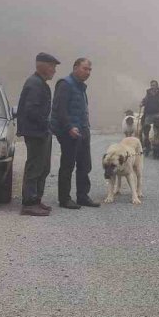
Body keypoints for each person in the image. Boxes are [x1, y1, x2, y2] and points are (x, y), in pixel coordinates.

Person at [51, 57, 100, 209]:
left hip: (83, 131)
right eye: (85, 69)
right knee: (67, 165)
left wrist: (85, 127)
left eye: (90, 70)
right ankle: (64, 199)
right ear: (75, 67)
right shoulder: (65, 84)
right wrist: (69, 127)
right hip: (69, 132)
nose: (88, 72)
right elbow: (60, 109)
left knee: (85, 165)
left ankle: (82, 196)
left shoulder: (80, 87)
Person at [16, 52, 59, 217]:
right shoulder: (34, 84)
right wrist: (46, 124)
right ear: (42, 66)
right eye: (52, 66)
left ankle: (36, 199)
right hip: (35, 133)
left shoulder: (40, 83)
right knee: (35, 167)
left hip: (42, 132)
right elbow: (31, 110)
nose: (54, 71)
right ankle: (28, 203)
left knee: (44, 167)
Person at [139, 79, 159, 147]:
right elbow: (145, 100)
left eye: (154, 85)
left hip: (158, 115)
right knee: (146, 129)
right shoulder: (148, 93)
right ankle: (147, 144)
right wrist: (142, 103)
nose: (152, 87)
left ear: (157, 86)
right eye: (151, 85)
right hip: (148, 114)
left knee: (158, 131)